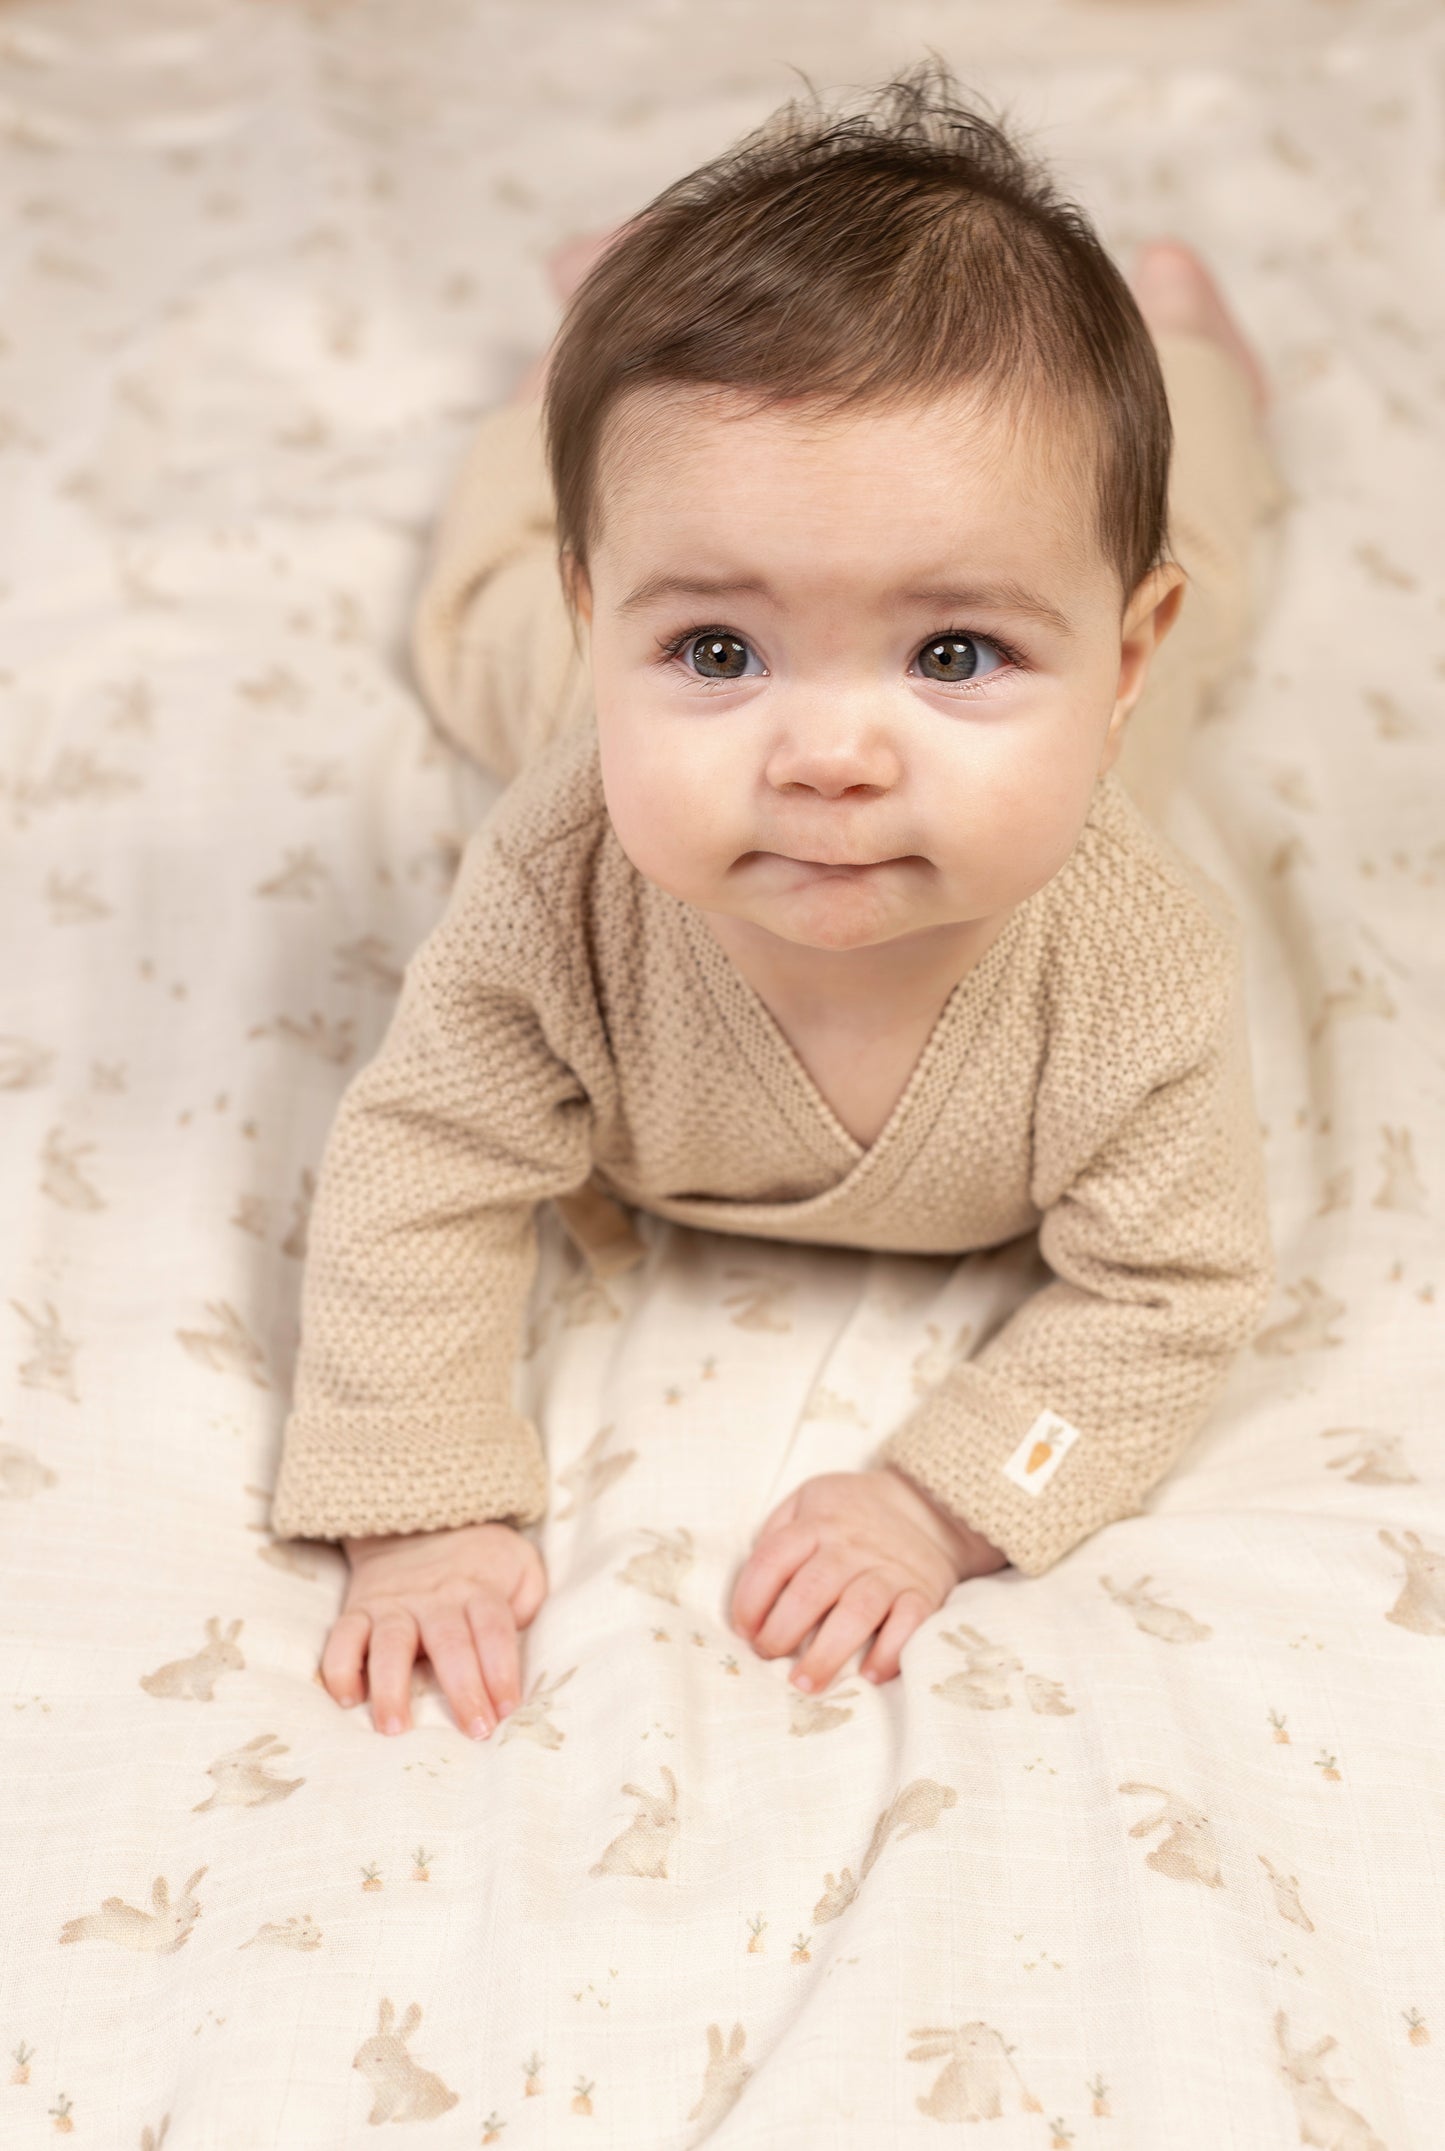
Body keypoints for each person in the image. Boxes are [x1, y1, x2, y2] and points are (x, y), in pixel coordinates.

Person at [268, 59, 1283, 1742]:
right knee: (472, 612)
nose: (824, 753)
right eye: (716, 650)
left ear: (1113, 655)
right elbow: (420, 1169)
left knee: (1216, 543)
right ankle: (588, 355)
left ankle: (1186, 348)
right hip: (569, 652)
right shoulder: (559, 877)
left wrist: (952, 1499)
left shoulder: (1133, 965)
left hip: (1090, 690)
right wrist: (423, 1495)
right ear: (609, 624)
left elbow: (1169, 1299)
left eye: (953, 652)